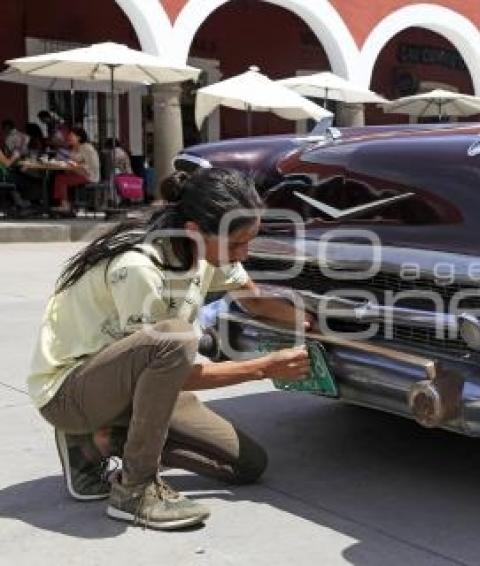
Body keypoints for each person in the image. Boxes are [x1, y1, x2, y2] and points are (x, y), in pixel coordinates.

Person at [28, 167, 313, 530]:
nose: (243, 254)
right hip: (71, 391)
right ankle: (134, 491)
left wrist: (306, 320)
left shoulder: (207, 252)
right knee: (176, 338)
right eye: (236, 243)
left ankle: (103, 440)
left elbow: (253, 300)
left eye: (249, 241)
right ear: (194, 230)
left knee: (246, 465)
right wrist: (263, 367)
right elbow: (172, 367)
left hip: (135, 382)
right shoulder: (139, 268)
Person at [52, 127, 100, 213]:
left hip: (88, 175)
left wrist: (77, 166)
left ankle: (65, 205)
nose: (68, 138)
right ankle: (65, 204)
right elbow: (72, 161)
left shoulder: (87, 148)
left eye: (71, 136)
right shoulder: (74, 148)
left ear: (79, 137)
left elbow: (93, 165)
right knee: (58, 177)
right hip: (76, 173)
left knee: (61, 179)